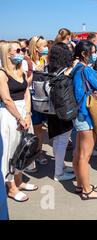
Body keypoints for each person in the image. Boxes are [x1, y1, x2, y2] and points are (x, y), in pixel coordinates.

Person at [0, 41, 38, 202]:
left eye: (22, 49)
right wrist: (20, 118)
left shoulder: (20, 70)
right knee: (11, 149)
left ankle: (19, 180)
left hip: (24, 111)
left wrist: (28, 114)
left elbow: (26, 93)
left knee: (23, 148)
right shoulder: (2, 73)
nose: (22, 52)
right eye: (18, 50)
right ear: (8, 54)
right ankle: (11, 187)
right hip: (10, 114)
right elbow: (7, 99)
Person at [71, 40, 97, 200]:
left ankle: (80, 185)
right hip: (86, 115)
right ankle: (87, 190)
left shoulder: (74, 68)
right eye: (92, 52)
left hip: (77, 114)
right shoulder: (87, 70)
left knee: (78, 153)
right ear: (85, 54)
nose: (94, 55)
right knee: (85, 156)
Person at [47, 42, 76, 182]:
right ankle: (58, 172)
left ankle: (61, 167)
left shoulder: (50, 67)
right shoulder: (65, 70)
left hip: (52, 109)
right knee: (62, 141)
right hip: (63, 109)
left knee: (58, 140)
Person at [27, 36, 50, 169]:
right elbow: (24, 82)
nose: (46, 48)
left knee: (39, 128)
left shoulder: (45, 60)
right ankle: (30, 156)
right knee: (33, 128)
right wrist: (36, 72)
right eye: (43, 45)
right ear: (36, 47)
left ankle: (39, 153)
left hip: (43, 96)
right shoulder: (27, 61)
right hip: (31, 95)